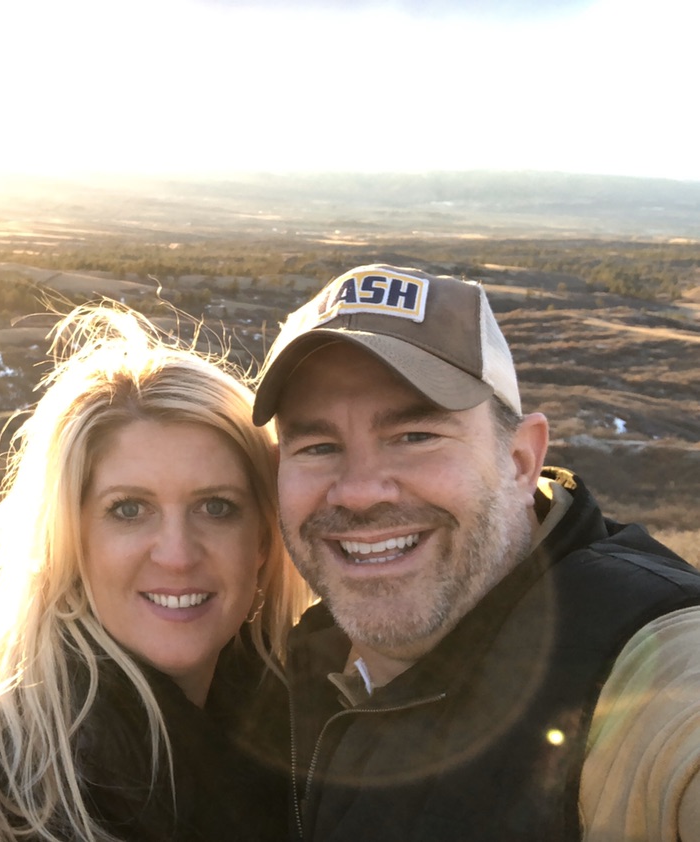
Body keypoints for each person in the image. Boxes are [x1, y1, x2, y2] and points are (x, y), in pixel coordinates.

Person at [251, 264, 700, 841]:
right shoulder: (295, 660)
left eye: (416, 436)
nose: (359, 492)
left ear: (520, 461)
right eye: (317, 446)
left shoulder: (647, 664)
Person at [0, 305, 311, 842]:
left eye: (216, 507)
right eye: (129, 509)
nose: (178, 555)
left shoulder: (301, 730)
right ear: (69, 539)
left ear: (263, 538)